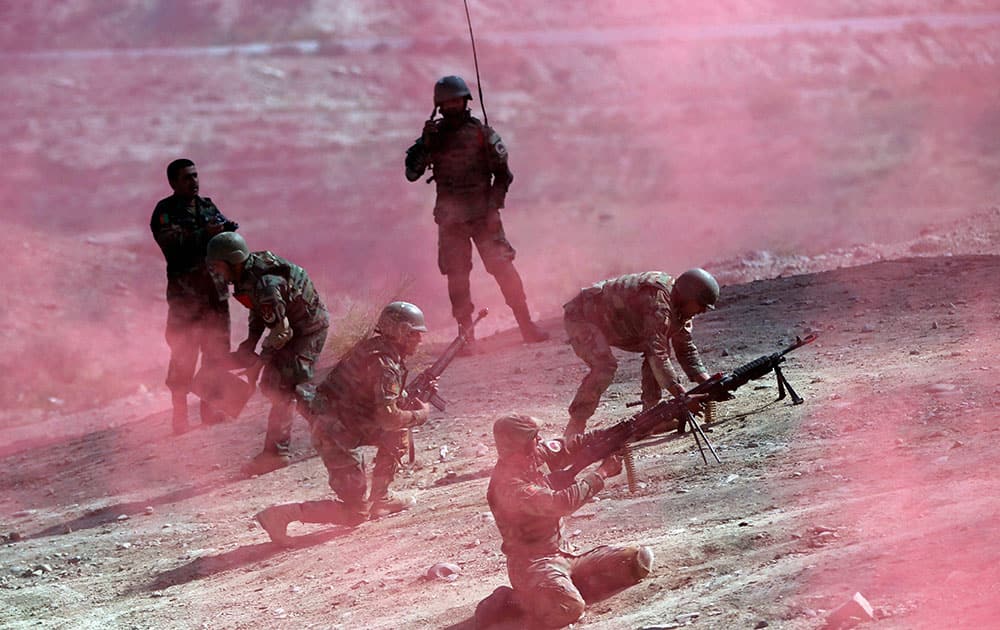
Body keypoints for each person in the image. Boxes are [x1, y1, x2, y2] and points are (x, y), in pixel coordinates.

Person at [254, 302, 432, 545]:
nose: (419, 340)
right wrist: (420, 415)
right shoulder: (384, 363)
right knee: (355, 513)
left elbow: (376, 403)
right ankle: (281, 515)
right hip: (333, 434)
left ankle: (381, 498)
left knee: (397, 431)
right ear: (399, 331)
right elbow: (388, 417)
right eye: (414, 334)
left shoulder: (379, 352)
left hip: (346, 424)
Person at [405, 75, 548, 351]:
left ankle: (526, 324)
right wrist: (424, 145)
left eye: (456, 100)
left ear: (466, 101)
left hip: (483, 216)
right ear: (438, 105)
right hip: (451, 221)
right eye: (446, 102)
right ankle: (465, 337)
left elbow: (504, 175)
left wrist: (494, 207)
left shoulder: (483, 134)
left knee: (504, 269)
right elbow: (412, 173)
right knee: (457, 277)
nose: (451, 106)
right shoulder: (432, 138)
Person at [477, 414, 654, 629]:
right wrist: (601, 473)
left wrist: (616, 433)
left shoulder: (533, 456)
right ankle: (515, 599)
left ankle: (556, 588)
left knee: (635, 562)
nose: (539, 440)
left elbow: (573, 445)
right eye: (533, 437)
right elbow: (561, 503)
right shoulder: (508, 486)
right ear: (518, 446)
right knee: (568, 608)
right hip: (533, 566)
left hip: (564, 555)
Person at [205, 232, 330, 477]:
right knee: (275, 386)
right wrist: (249, 343)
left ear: (234, 261)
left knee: (291, 384)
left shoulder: (266, 285)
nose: (217, 273)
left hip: (307, 330)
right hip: (290, 327)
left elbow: (281, 332)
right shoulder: (248, 277)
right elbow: (259, 312)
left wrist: (258, 362)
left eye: (219, 266)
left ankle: (333, 433)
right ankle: (279, 451)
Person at [561, 268, 720, 440]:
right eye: (701, 305)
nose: (703, 311)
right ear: (686, 296)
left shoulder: (680, 307)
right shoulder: (657, 302)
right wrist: (683, 398)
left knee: (658, 349)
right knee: (604, 367)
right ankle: (575, 426)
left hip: (616, 325)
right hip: (581, 318)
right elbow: (657, 355)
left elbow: (686, 349)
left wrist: (710, 384)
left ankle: (650, 419)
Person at [150, 158, 239, 435]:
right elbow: (173, 245)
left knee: (216, 352)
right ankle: (179, 416)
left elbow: (223, 236)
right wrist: (206, 234)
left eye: (196, 176)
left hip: (214, 294)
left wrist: (225, 232)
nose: (194, 181)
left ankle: (211, 411)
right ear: (174, 183)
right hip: (186, 299)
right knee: (184, 354)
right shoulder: (165, 212)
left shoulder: (208, 206)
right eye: (187, 177)